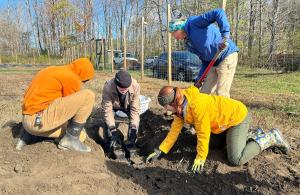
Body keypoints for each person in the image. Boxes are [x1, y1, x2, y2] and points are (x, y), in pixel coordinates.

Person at [146, 85, 290, 173]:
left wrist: (200, 158)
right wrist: (161, 150)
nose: (165, 110)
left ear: (174, 102)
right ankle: (248, 134)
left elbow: (203, 133)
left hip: (237, 117)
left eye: (166, 107)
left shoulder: (197, 105)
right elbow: (173, 132)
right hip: (222, 125)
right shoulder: (180, 109)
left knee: (235, 159)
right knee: (212, 144)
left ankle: (270, 137)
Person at [17, 58, 95, 152]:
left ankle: (32, 136)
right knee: (88, 96)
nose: (83, 82)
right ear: (83, 74)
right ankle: (70, 140)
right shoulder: (71, 77)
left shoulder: (53, 70)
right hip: (39, 121)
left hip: (28, 120)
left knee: (80, 134)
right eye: (85, 80)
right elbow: (71, 111)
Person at [169, 9, 239, 97]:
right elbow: (205, 60)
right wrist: (199, 79)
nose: (174, 37)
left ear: (178, 28)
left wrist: (225, 36)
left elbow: (218, 12)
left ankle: (225, 110)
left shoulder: (194, 23)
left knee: (221, 93)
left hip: (226, 54)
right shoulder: (189, 44)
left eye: (173, 34)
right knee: (204, 94)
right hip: (213, 61)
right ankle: (205, 111)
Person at [101, 70, 140, 152]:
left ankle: (131, 142)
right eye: (121, 88)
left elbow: (135, 110)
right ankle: (109, 146)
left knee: (134, 126)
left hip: (128, 106)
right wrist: (113, 131)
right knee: (108, 125)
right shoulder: (108, 87)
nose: (123, 90)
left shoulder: (135, 86)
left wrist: (133, 129)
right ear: (116, 84)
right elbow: (107, 111)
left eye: (126, 88)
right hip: (113, 106)